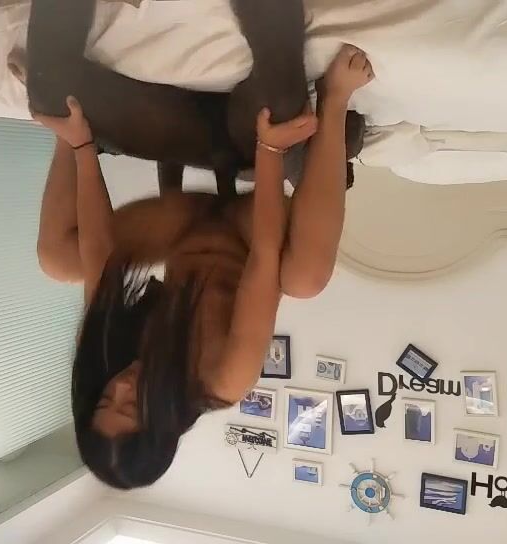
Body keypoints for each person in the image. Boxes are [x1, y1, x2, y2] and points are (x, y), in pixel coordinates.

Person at [33, 44, 375, 489]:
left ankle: (65, 122)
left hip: (185, 227)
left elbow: (101, 253)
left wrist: (80, 144)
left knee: (58, 259)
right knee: (305, 278)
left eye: (104, 401)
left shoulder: (102, 356)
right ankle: (334, 101)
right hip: (248, 234)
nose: (121, 388)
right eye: (131, 406)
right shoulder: (224, 379)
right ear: (163, 423)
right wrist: (269, 149)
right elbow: (264, 259)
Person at [24, 0, 364, 195]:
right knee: (285, 111)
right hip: (256, 151)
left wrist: (79, 143)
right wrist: (333, 101)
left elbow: (169, 194)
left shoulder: (147, 273)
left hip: (196, 142)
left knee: (50, 98)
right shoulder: (285, 273)